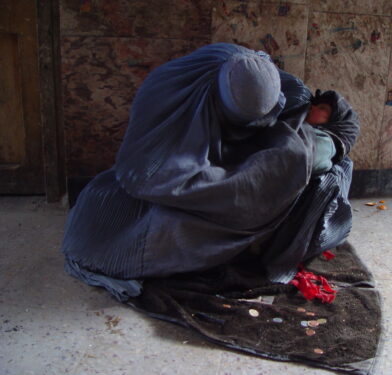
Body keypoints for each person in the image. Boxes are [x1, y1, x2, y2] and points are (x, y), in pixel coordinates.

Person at [61, 43, 360, 300]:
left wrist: (322, 128)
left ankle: (253, 230)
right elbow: (145, 175)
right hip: (176, 184)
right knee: (156, 227)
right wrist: (240, 184)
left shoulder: (278, 85)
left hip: (244, 163)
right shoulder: (167, 91)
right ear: (217, 97)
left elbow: (344, 124)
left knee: (308, 164)